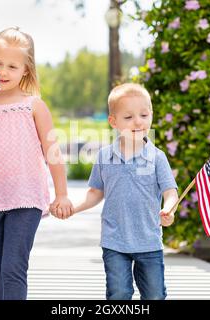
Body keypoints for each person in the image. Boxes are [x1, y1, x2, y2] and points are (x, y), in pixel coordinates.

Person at [0, 27, 74, 300]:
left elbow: (52, 151)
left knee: (12, 267)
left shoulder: (34, 106)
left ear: (26, 71)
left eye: (12, 66)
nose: (2, 71)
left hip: (27, 196)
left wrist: (62, 194)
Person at [51, 83, 179, 300]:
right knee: (119, 293)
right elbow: (95, 192)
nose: (138, 121)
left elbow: (170, 192)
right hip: (115, 241)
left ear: (151, 116)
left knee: (155, 295)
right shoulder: (104, 156)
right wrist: (75, 207)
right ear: (113, 122)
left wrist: (168, 210)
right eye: (128, 118)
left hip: (148, 241)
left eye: (144, 115)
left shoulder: (157, 157)